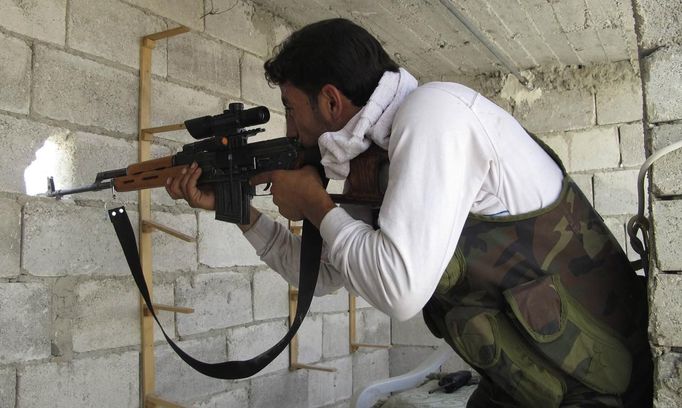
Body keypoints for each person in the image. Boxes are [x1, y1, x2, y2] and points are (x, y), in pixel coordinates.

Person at [166, 18, 652, 408]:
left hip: (602, 383)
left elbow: (397, 291)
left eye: (292, 109)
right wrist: (244, 215)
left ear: (331, 100)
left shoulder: (434, 114)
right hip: (531, 381)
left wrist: (315, 204)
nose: (291, 130)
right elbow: (329, 274)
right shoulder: (375, 159)